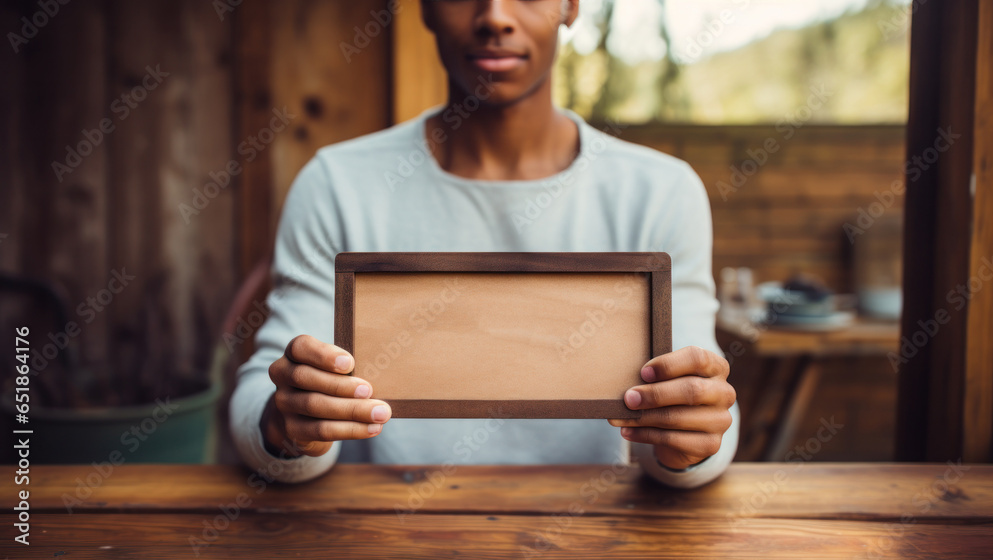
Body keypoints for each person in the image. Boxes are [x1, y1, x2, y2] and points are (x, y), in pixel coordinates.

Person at [231, 0, 739, 488]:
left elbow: (705, 410)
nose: (494, 15)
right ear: (425, 7)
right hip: (377, 536)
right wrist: (285, 427)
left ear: (572, 6)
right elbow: (266, 395)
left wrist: (689, 444)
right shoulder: (335, 185)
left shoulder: (662, 192)